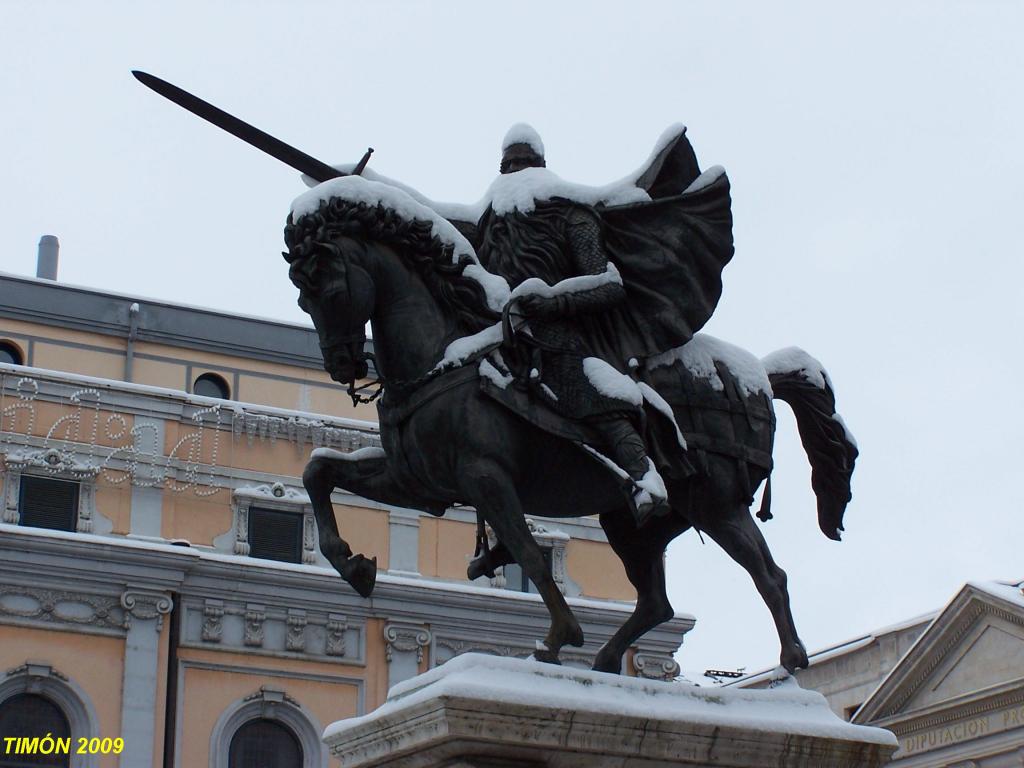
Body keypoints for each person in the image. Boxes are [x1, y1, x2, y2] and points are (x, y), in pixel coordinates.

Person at [476, 125, 669, 525]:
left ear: (541, 166)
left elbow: (609, 283)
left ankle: (644, 479)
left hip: (560, 341)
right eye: (507, 165)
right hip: (499, 339)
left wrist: (552, 300)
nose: (514, 172)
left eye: (522, 163)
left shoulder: (569, 213)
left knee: (595, 396)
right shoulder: (489, 222)